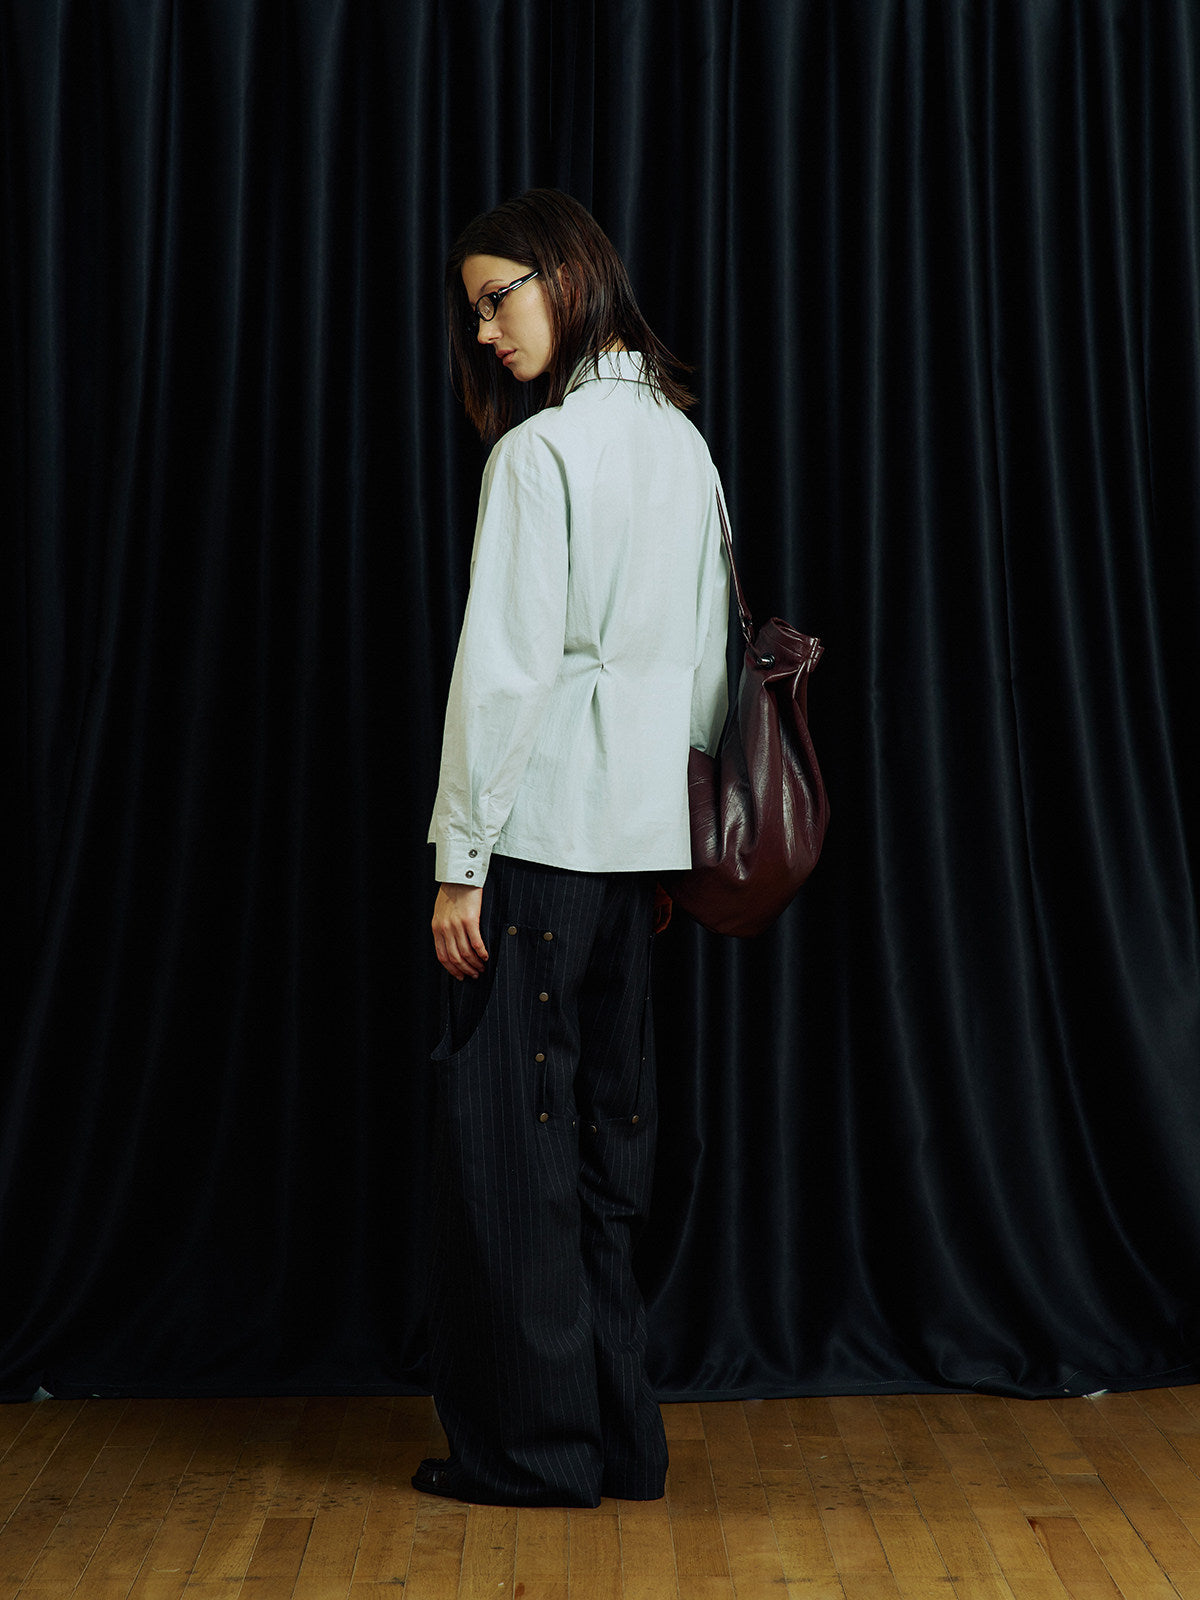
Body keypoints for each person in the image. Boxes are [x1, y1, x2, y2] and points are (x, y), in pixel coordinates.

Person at [417, 188, 731, 1508]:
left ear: (566, 274)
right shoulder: (683, 446)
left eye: (498, 298)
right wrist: (664, 847)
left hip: (539, 845)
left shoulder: (539, 456)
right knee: (604, 1152)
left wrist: (460, 860)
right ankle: (620, 1441)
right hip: (630, 854)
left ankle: (535, 1456)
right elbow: (707, 675)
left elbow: (502, 673)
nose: (486, 332)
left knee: (515, 1154)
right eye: (475, 312)